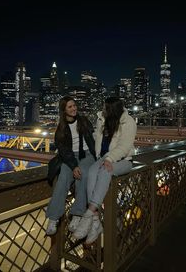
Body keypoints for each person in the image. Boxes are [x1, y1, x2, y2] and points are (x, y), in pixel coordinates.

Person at [73, 97, 137, 244]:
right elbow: (97, 138)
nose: (102, 109)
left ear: (112, 109)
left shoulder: (129, 122)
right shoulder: (101, 120)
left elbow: (125, 145)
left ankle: (89, 214)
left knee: (105, 172)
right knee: (90, 172)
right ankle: (96, 221)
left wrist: (110, 158)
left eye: (105, 107)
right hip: (102, 158)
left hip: (123, 161)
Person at [45, 96, 96, 235]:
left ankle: (77, 215)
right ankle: (53, 217)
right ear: (64, 110)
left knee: (83, 174)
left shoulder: (84, 121)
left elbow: (93, 139)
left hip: (87, 155)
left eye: (74, 105)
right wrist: (73, 166)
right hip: (70, 158)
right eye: (70, 107)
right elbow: (63, 151)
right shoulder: (61, 128)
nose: (74, 108)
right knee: (62, 178)